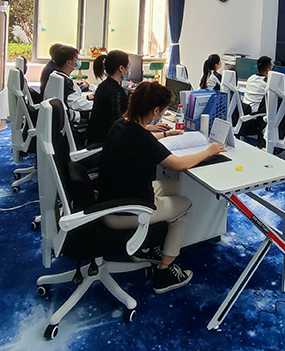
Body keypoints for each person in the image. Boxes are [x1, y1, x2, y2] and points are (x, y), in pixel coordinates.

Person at [97, 82, 226, 294]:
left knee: (179, 187)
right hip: (124, 210)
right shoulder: (139, 136)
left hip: (113, 197)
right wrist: (209, 151)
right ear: (156, 110)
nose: (164, 113)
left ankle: (148, 245)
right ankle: (165, 271)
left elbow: (144, 139)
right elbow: (179, 164)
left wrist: (166, 135)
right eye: (164, 109)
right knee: (185, 205)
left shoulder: (122, 124)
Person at [86, 50, 175, 148]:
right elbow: (122, 126)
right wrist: (162, 133)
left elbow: (120, 123)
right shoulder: (116, 93)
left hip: (99, 138)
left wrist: (146, 127)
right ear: (121, 68)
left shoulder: (104, 86)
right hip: (106, 143)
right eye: (129, 66)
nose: (129, 69)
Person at [49, 45, 94, 147]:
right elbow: (75, 103)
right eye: (76, 59)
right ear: (69, 63)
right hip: (72, 120)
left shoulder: (56, 75)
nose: (78, 62)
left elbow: (69, 98)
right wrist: (98, 104)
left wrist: (87, 98)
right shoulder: (64, 81)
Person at [240, 56, 272, 145]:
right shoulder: (266, 83)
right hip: (256, 118)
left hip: (245, 114)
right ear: (268, 70)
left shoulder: (250, 78)